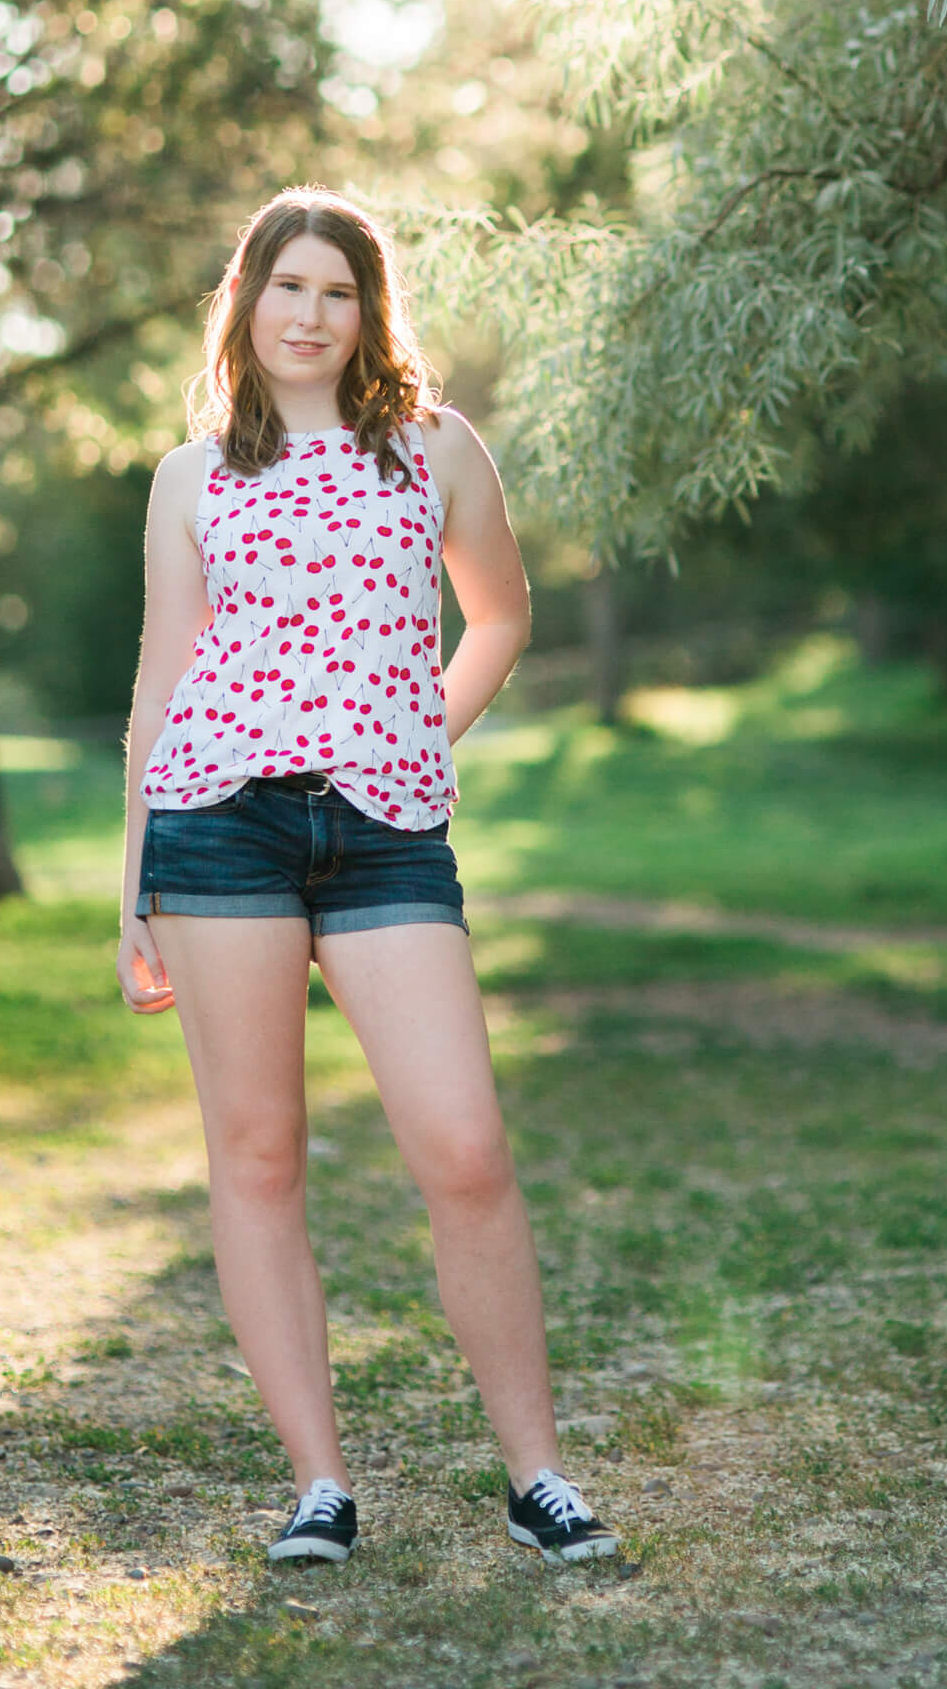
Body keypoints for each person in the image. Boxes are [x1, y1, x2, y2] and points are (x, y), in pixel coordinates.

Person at [117, 187, 616, 1568]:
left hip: (388, 833)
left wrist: (419, 729)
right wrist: (130, 885)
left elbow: (501, 614)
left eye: (338, 291)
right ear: (249, 303)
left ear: (366, 310)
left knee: (465, 1146)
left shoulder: (435, 450)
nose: (311, 313)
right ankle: (320, 1490)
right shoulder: (191, 474)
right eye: (288, 288)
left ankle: (538, 1479)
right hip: (217, 827)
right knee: (259, 1153)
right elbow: (164, 680)